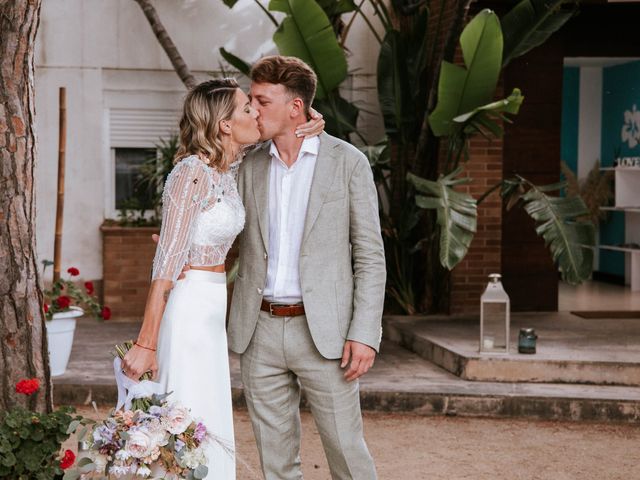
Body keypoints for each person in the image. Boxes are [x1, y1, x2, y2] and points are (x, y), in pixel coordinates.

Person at [120, 78, 323, 479]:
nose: (257, 114)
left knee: (207, 418)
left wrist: (314, 119)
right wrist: (146, 343)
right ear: (225, 125)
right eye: (248, 108)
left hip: (214, 311)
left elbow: (284, 137)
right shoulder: (191, 173)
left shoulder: (229, 170)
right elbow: (166, 262)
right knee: (184, 414)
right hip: (190, 307)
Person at [229, 56, 386, 480]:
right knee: (275, 463)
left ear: (296, 107)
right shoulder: (247, 163)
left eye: (262, 100)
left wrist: (364, 333)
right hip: (257, 331)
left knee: (347, 453)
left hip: (326, 334)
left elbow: (370, 256)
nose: (253, 109)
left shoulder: (348, 162)